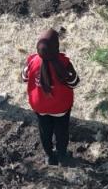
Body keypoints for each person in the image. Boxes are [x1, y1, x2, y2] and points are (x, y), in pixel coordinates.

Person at [22, 28, 80, 166]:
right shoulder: (64, 63)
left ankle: (49, 155)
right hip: (60, 106)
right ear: (57, 47)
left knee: (44, 129)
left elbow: (24, 77)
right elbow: (74, 83)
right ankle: (62, 154)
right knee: (61, 130)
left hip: (39, 105)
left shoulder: (32, 61)